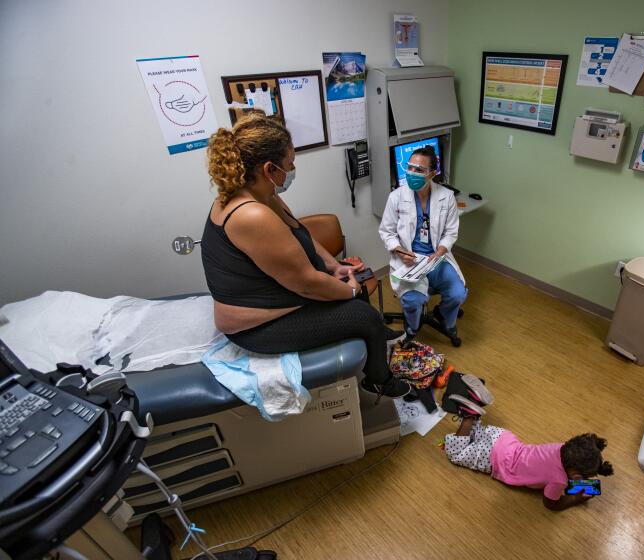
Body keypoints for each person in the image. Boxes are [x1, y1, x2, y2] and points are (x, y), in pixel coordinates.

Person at [201, 114, 409, 398]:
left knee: (354, 276)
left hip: (277, 294)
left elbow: (298, 229)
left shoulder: (260, 194)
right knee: (363, 314)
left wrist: (335, 266)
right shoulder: (250, 214)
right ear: (269, 169)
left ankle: (375, 340)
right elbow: (307, 284)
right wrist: (347, 290)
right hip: (256, 325)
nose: (293, 168)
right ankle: (379, 380)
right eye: (289, 164)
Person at [444, 382, 614, 511]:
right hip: (494, 458)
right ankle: (468, 416)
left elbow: (554, 468)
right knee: (456, 453)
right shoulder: (558, 481)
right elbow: (551, 504)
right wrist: (575, 499)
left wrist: (576, 478)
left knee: (475, 436)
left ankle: (475, 407)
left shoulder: (562, 447)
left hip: (503, 438)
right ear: (576, 475)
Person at [378, 146, 467, 341]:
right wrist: (400, 251)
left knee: (458, 293)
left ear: (432, 174)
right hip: (408, 260)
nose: (412, 173)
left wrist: (440, 251)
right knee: (413, 300)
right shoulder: (396, 197)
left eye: (419, 170)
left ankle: (444, 316)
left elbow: (451, 232)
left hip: (436, 258)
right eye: (409, 167)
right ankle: (412, 325)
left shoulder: (446, 197)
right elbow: (386, 231)